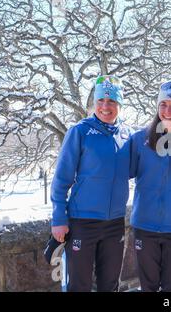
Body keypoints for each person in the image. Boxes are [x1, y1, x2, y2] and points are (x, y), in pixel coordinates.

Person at [50, 75, 133, 292]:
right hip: (82, 222)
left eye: (112, 101)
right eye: (100, 101)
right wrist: (59, 217)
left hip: (114, 223)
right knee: (80, 286)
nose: (106, 106)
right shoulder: (79, 131)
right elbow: (61, 179)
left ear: (120, 104)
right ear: (94, 103)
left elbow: (138, 166)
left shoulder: (127, 134)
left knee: (110, 285)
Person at [129, 80, 171, 292]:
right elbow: (119, 173)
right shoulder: (139, 139)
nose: (168, 111)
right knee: (147, 287)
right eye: (163, 105)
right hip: (144, 226)